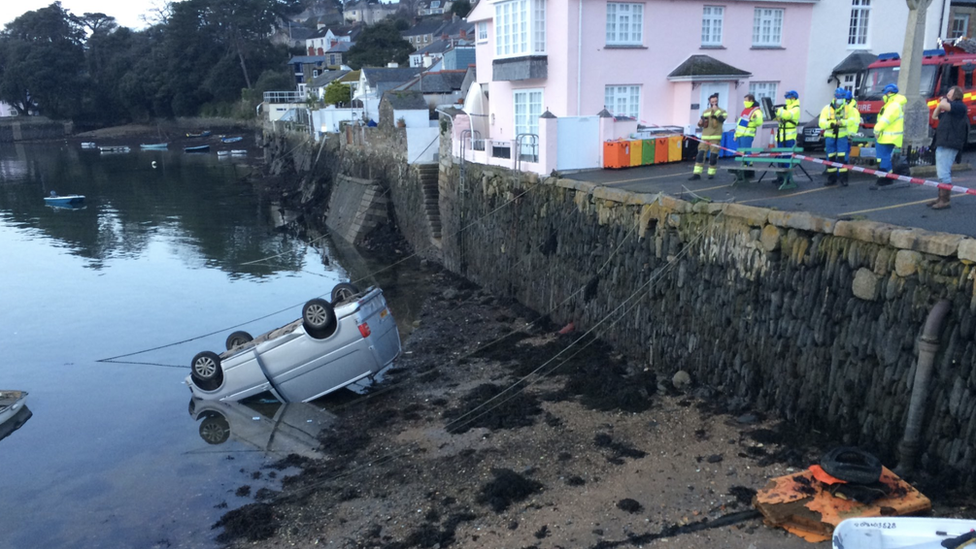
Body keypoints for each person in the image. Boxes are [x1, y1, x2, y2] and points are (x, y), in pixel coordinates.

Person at [929, 85, 968, 209]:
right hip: (943, 142)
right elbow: (935, 116)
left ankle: (945, 200)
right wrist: (941, 104)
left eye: (949, 94)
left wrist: (943, 102)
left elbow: (945, 105)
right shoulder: (948, 110)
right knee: (941, 171)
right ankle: (940, 197)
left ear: (955, 96)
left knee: (944, 171)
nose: (947, 96)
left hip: (950, 143)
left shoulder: (959, 106)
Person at [818, 88, 861, 186]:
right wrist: (832, 124)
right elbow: (821, 122)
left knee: (843, 158)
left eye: (842, 97)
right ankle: (831, 179)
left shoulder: (849, 109)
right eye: (839, 97)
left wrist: (842, 122)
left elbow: (852, 120)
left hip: (842, 136)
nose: (841, 100)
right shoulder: (827, 108)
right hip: (830, 136)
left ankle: (843, 179)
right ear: (835, 97)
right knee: (831, 157)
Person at [873, 83, 906, 188]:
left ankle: (884, 179)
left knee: (884, 158)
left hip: (887, 137)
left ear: (890, 93)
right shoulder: (893, 104)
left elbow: (885, 120)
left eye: (885, 93)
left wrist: (877, 130)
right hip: (888, 137)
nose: (884, 95)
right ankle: (888, 177)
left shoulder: (893, 105)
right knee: (884, 157)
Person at [689, 93, 727, 180]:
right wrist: (700, 123)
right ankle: (696, 174)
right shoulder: (706, 111)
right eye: (712, 102)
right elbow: (701, 124)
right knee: (700, 155)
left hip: (715, 138)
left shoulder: (722, 111)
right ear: (709, 102)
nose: (714, 103)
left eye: (715, 101)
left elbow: (722, 119)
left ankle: (711, 174)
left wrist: (716, 111)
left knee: (713, 156)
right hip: (705, 137)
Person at [734, 94, 764, 179]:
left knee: (747, 152)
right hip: (740, 134)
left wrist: (753, 120)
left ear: (751, 101)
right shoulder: (745, 110)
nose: (745, 102)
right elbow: (739, 124)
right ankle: (744, 169)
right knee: (742, 152)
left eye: (746, 100)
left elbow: (759, 122)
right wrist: (736, 134)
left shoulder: (756, 111)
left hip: (747, 134)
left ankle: (749, 169)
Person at [774, 90, 801, 185]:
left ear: (793, 98)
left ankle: (788, 178)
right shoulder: (785, 108)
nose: (786, 99)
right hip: (781, 137)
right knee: (779, 158)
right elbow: (780, 116)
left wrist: (778, 111)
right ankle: (780, 177)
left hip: (789, 138)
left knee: (787, 158)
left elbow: (788, 115)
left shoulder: (795, 108)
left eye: (788, 97)